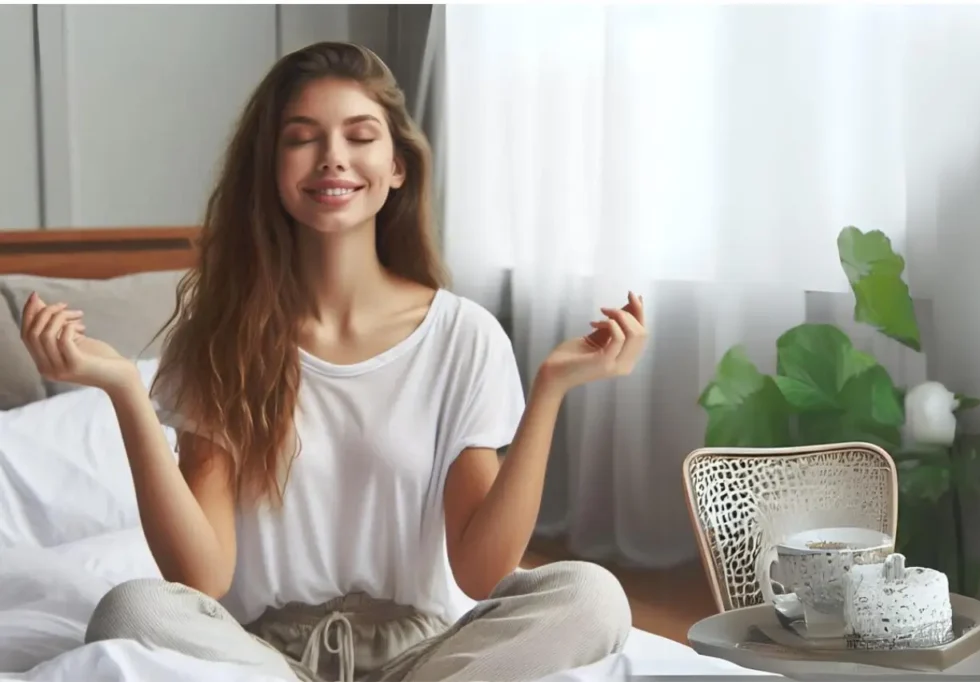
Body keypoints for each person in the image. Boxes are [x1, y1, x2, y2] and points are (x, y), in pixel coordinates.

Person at [18, 42, 648, 682]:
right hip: (263, 659)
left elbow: (482, 574)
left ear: (397, 165)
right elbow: (200, 579)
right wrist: (126, 389)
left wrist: (548, 392)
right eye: (302, 138)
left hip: (424, 657)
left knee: (591, 596)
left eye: (359, 135)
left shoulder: (464, 337)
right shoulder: (217, 337)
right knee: (135, 609)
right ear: (270, 167)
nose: (333, 158)